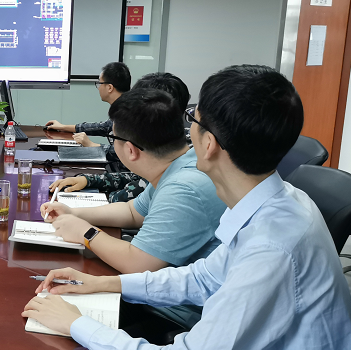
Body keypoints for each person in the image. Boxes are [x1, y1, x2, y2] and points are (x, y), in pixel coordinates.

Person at [24, 65, 351, 350]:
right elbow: (202, 277)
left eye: (192, 118)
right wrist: (105, 285)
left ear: (208, 143)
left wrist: (77, 324)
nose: (184, 129)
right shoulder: (276, 203)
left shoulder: (273, 248)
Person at [41, 88, 225, 279]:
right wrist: (73, 213)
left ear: (131, 150)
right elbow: (132, 212)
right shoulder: (183, 163)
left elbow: (138, 263)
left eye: (113, 138)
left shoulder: (182, 189)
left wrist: (84, 233)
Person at [51, 72, 191, 203]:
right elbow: (137, 178)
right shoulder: (176, 145)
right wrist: (89, 180)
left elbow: (129, 198)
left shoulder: (178, 168)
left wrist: (100, 197)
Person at [44, 61, 131, 145]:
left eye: (100, 83)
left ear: (109, 88)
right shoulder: (122, 108)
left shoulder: (127, 115)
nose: (99, 88)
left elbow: (123, 152)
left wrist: (91, 144)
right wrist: (63, 127)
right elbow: (103, 127)